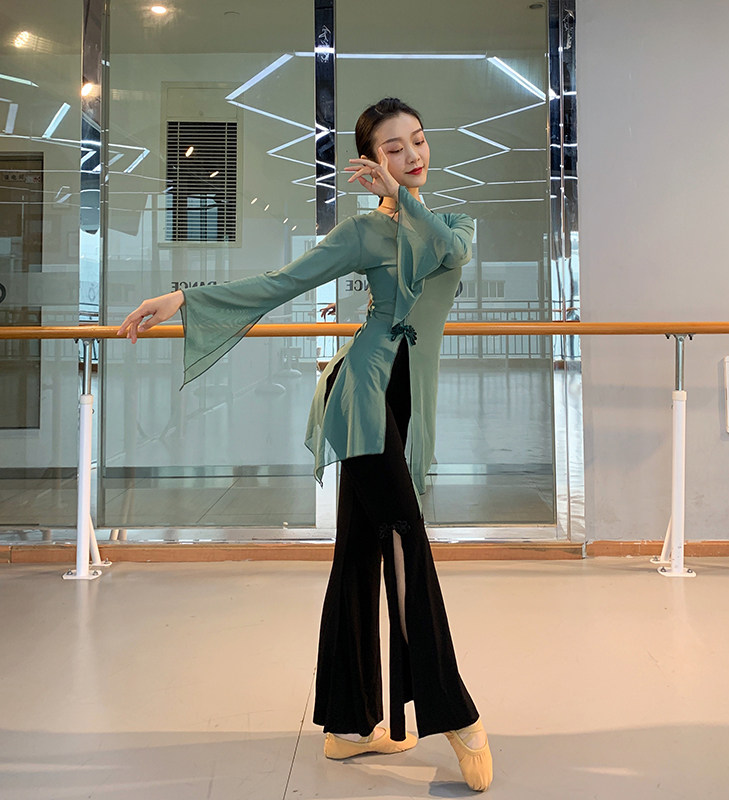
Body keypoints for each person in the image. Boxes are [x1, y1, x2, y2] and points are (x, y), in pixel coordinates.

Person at [117, 97, 493, 792]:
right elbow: (280, 284)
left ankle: (348, 726)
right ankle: (456, 714)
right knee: (405, 543)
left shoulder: (452, 222)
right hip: (364, 397)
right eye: (392, 149)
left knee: (360, 551)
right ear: (369, 160)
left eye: (417, 141)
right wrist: (183, 298)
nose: (411, 155)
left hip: (409, 400)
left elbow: (449, 251)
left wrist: (402, 199)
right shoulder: (361, 233)